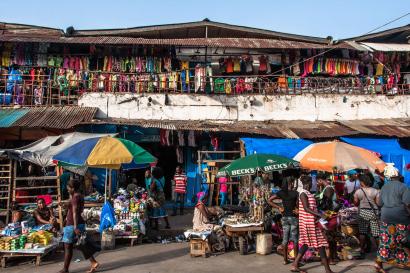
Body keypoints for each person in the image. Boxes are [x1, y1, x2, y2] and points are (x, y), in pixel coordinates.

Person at [292, 176, 334, 273]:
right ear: (309, 183)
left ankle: (295, 265)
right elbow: (306, 208)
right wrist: (321, 215)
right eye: (312, 182)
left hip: (311, 222)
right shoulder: (303, 193)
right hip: (308, 223)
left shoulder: (308, 193)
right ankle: (328, 270)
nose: (313, 184)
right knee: (320, 245)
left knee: (307, 244)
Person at [59, 179, 99, 273]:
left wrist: (75, 227)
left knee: (68, 246)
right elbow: (72, 206)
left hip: (73, 224)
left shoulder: (75, 197)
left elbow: (75, 212)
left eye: (68, 188)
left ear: (72, 188)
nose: (67, 189)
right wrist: (65, 204)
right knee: (82, 244)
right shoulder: (78, 196)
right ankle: (93, 262)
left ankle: (65, 269)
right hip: (78, 223)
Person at [375, 167, 410, 272]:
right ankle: (403, 261)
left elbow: (379, 203)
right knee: (403, 241)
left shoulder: (384, 187)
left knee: (386, 241)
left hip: (386, 217)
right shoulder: (404, 187)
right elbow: (408, 204)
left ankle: (379, 265)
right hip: (401, 218)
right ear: (399, 176)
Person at [268, 177, 299, 265]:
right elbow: (298, 204)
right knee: (295, 240)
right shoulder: (295, 193)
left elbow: (269, 200)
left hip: (284, 217)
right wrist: (297, 209)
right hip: (293, 217)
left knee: (285, 239)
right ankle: (296, 261)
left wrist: (279, 207)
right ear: (292, 183)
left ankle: (285, 260)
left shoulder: (281, 192)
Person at [353, 174, 380, 259]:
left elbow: (356, 203)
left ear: (362, 182)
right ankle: (380, 251)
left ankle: (361, 250)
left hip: (363, 213)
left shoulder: (358, 192)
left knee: (362, 232)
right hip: (373, 213)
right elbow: (378, 203)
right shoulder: (376, 191)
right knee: (376, 234)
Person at [316, 174, 339, 265]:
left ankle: (330, 259)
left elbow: (328, 202)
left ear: (320, 180)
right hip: (329, 215)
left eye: (318, 181)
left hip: (329, 216)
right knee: (331, 237)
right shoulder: (327, 188)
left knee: (328, 237)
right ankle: (333, 257)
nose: (317, 183)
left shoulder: (328, 189)